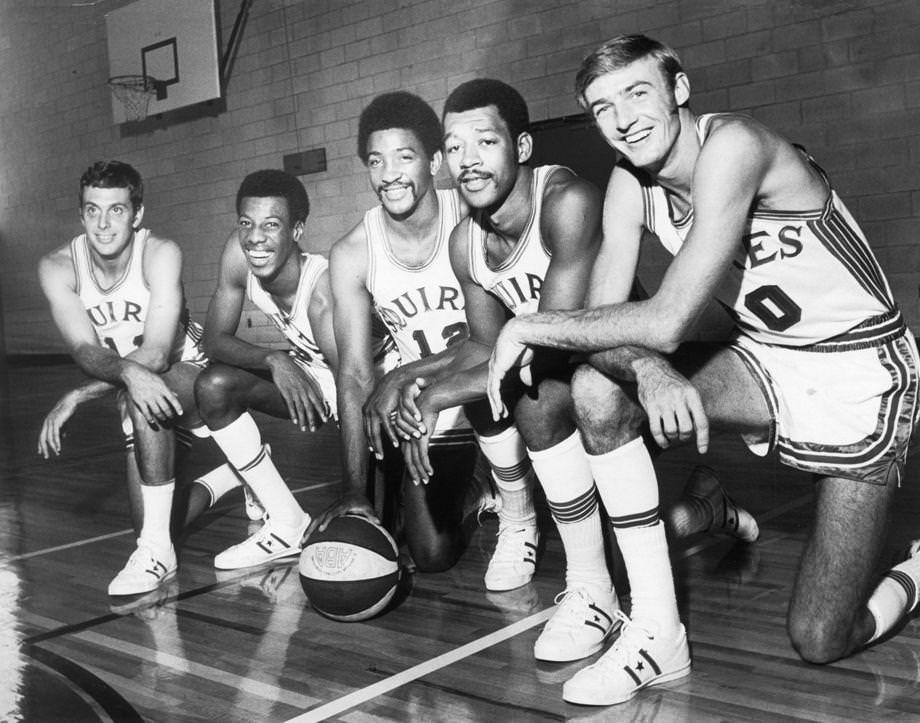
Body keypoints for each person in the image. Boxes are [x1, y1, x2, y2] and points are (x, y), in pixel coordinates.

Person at [486, 34, 920, 706]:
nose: (624, 117)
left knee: (820, 634)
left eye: (637, 93)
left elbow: (662, 320)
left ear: (679, 89)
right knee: (598, 388)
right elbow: (607, 324)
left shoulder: (735, 146)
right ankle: (658, 631)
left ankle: (919, 570)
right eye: (602, 107)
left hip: (860, 368)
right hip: (764, 359)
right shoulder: (629, 186)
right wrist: (648, 371)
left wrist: (529, 324)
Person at [384, 78, 628, 663]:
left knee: (531, 395)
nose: (467, 161)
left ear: (521, 147)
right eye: (455, 146)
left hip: (625, 379)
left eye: (484, 142)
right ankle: (521, 525)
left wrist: (438, 396)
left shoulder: (568, 201)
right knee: (510, 393)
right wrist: (413, 383)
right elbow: (486, 347)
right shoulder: (466, 240)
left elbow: (554, 341)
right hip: (561, 389)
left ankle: (605, 583)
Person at [315, 91, 538, 585]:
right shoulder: (352, 251)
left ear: (436, 161)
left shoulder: (474, 213)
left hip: (490, 387)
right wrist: (352, 489)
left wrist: (403, 372)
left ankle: (521, 498)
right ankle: (479, 487)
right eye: (376, 161)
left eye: (405, 157)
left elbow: (496, 338)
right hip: (428, 409)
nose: (389, 174)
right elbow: (352, 373)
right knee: (430, 554)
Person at [37, 160, 244, 597]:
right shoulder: (58, 268)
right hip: (141, 391)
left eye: (116, 210)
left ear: (137, 214)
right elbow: (84, 350)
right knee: (153, 521)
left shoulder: (160, 252)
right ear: (81, 215)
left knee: (138, 392)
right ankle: (228, 479)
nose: (104, 223)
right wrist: (120, 377)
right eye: (92, 210)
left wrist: (80, 394)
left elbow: (157, 351)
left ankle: (155, 556)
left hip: (194, 378)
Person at [194, 169, 338, 570]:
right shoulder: (240, 255)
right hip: (314, 374)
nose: (254, 237)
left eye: (271, 225)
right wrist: (274, 358)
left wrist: (356, 492)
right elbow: (215, 340)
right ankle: (287, 523)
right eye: (246, 223)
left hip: (370, 385)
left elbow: (356, 381)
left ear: (296, 230)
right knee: (214, 386)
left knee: (420, 544)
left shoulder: (322, 290)